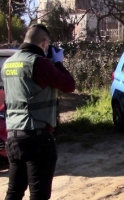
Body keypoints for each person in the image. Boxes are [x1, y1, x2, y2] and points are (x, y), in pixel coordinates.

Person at [1, 24, 75, 200]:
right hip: (38, 138)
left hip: (13, 137)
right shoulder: (39, 63)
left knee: (14, 192)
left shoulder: (8, 64)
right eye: (48, 45)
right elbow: (69, 85)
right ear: (43, 43)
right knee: (39, 195)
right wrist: (58, 62)